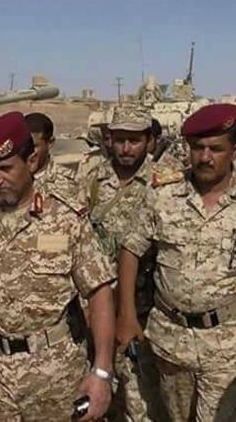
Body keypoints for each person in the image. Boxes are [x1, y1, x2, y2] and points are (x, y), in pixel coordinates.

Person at [0, 112, 116, 421]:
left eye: (6, 168)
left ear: (32, 161)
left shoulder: (67, 220)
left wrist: (101, 372)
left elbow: (100, 293)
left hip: (56, 370)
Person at [118, 103, 236, 421]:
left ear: (235, 149)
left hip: (228, 345)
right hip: (170, 339)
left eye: (216, 149)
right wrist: (127, 316)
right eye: (197, 148)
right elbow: (130, 250)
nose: (205, 157)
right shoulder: (163, 193)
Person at [84, 106, 164, 422]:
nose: (126, 149)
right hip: (93, 307)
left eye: (134, 140)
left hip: (141, 310)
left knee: (139, 400)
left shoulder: (163, 183)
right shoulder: (91, 177)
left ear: (149, 141)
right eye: (119, 140)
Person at [26, 112, 80, 201]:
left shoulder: (71, 182)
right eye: (24, 146)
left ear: (50, 143)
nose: (28, 152)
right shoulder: (9, 178)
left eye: (34, 146)